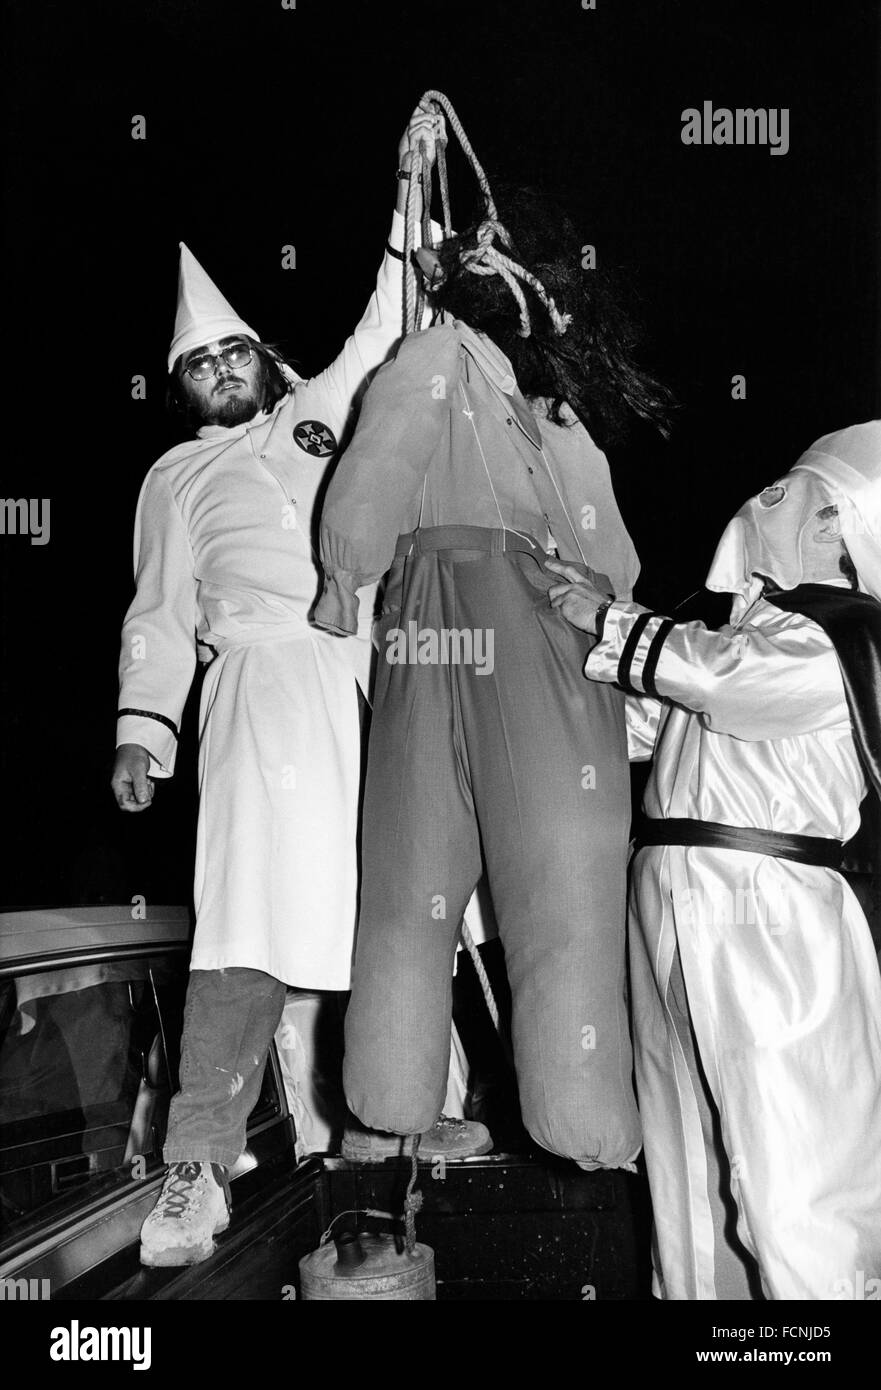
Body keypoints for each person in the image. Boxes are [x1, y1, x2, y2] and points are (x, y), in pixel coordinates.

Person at [110, 103, 490, 1269]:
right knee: (243, 922)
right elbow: (160, 614)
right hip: (255, 697)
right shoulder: (175, 480)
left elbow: (389, 324)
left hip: (364, 675)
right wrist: (142, 734)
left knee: (399, 899)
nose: (222, 372)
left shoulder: (317, 416)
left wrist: (407, 188)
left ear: (262, 358)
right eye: (198, 367)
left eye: (233, 353)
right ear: (184, 390)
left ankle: (415, 1113)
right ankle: (195, 1167)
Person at [314, 188, 671, 1167]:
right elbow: (609, 552)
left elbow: (377, 462)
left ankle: (389, 1093)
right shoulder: (496, 384)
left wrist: (349, 579)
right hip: (522, 618)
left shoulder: (464, 372)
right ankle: (583, 1112)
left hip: (434, 621)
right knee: (556, 874)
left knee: (410, 866)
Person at [547, 421, 881, 1298]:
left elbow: (725, 681)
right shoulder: (752, 630)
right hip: (669, 899)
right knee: (683, 1159)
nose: (763, 502)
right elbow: (649, 718)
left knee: (790, 1160)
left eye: (792, 495)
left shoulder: (842, 637)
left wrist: (608, 618)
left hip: (769, 911)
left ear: (836, 528)